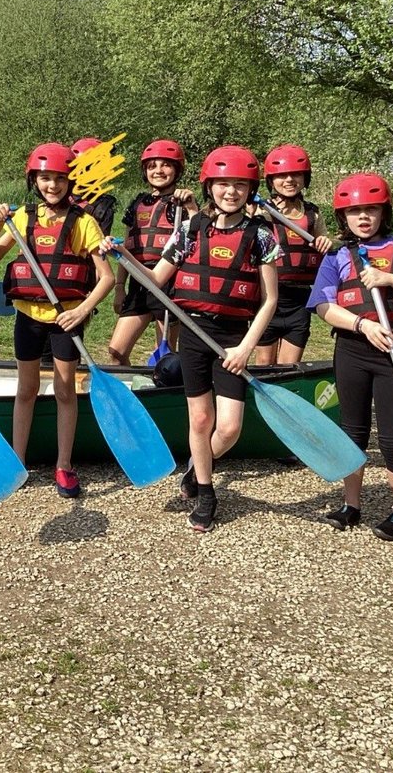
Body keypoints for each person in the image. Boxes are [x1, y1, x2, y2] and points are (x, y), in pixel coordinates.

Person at [102, 145, 279, 532]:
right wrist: (121, 256)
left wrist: (246, 347)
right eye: (222, 185)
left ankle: (196, 469)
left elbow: (270, 301)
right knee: (200, 419)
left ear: (249, 190)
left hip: (233, 338)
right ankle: (206, 490)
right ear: (210, 187)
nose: (230, 192)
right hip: (195, 333)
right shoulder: (191, 229)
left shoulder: (261, 236)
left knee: (229, 428)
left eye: (238, 185)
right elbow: (155, 279)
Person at [308, 172, 393, 542]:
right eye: (354, 212)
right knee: (352, 431)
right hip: (353, 348)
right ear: (343, 217)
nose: (363, 218)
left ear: (384, 212)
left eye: (370, 210)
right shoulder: (338, 256)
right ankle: (352, 505)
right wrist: (362, 326)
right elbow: (323, 306)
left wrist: (391, 280)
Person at [0, 142, 114, 499]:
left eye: (58, 179)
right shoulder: (23, 217)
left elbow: (107, 278)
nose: (52, 185)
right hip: (27, 317)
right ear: (34, 180)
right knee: (25, 389)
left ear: (69, 182)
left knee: (64, 390)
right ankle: (17, 460)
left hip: (65, 319)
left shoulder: (84, 223)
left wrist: (82, 311)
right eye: (45, 178)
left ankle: (64, 465)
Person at [108, 139, 198, 365]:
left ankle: (165, 393)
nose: (158, 170)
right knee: (116, 353)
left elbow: (199, 232)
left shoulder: (182, 203)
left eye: (165, 165)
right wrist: (120, 287)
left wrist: (191, 207)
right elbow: (126, 246)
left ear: (177, 169)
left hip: (170, 283)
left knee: (165, 356)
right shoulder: (138, 203)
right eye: (152, 166)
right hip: (139, 281)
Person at [254, 144, 333, 365]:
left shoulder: (313, 214)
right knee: (264, 365)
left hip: (299, 301)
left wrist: (325, 242)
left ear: (304, 178)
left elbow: (324, 240)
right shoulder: (261, 210)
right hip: (268, 296)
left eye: (295, 174)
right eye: (281, 175)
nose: (289, 180)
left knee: (289, 367)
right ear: (271, 180)